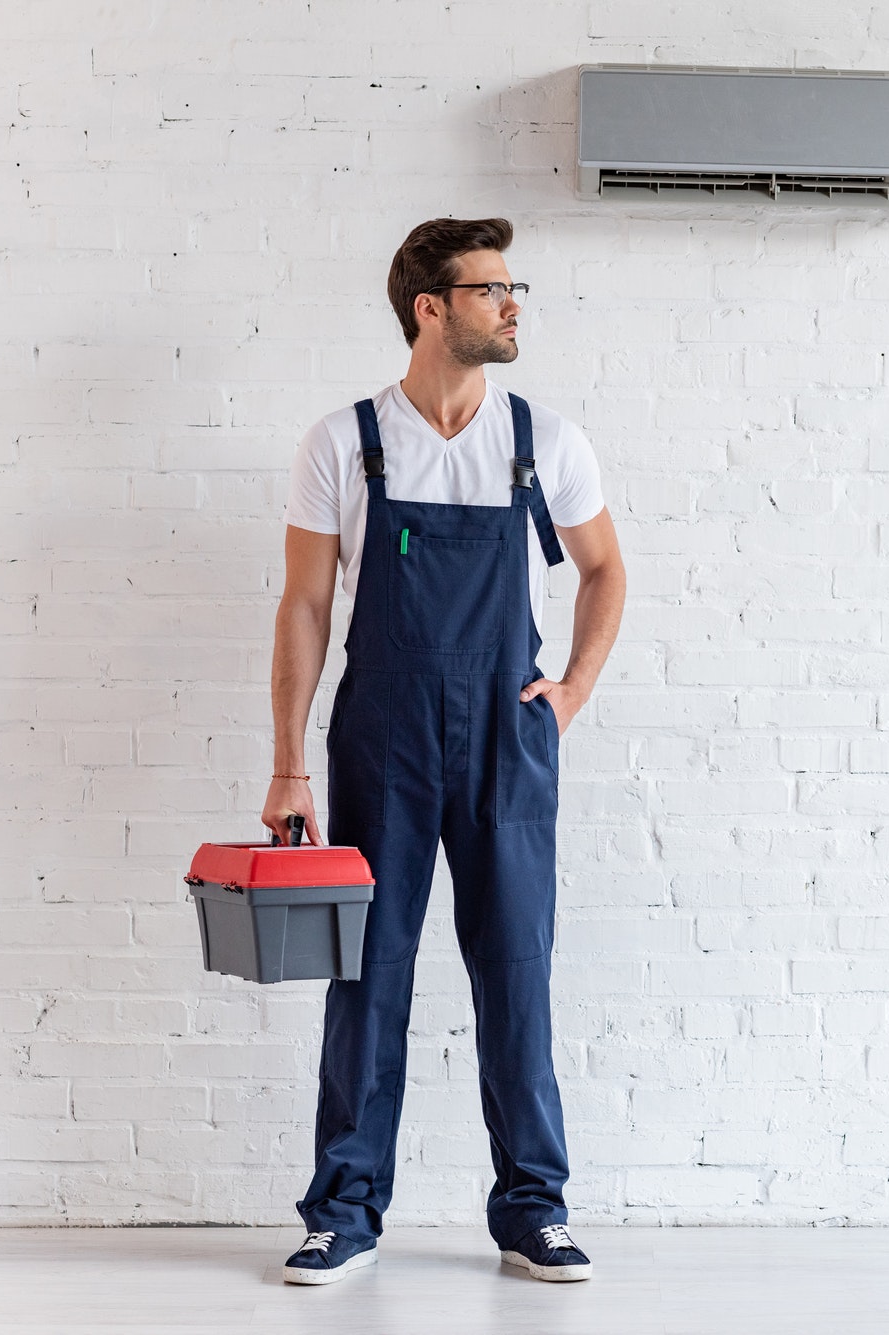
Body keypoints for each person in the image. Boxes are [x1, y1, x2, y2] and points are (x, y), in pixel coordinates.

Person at [261, 217, 625, 1285]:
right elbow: (304, 605)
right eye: (491, 289)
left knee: (515, 972)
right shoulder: (344, 443)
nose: (513, 305)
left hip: (507, 738)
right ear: (430, 307)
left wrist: (567, 698)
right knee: (367, 977)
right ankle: (344, 1211)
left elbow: (605, 571)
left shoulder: (542, 441)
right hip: (383, 733)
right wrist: (288, 760)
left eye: (516, 287)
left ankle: (532, 1210)